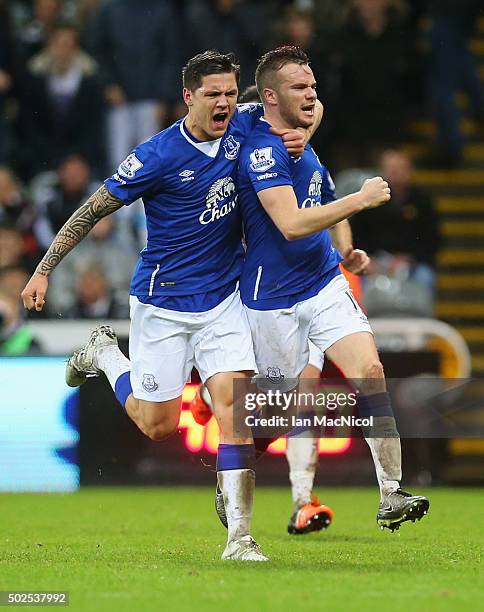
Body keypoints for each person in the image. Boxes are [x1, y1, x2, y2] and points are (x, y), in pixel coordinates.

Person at [21, 50, 313, 562]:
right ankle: (106, 355)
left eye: (229, 93)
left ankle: (240, 538)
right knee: (159, 427)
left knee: (235, 410)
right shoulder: (156, 155)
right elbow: (92, 211)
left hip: (224, 298)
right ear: (188, 96)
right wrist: (45, 268)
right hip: (164, 302)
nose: (224, 103)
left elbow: (308, 104)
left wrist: (304, 133)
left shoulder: (245, 125)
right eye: (212, 95)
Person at [232, 46, 429, 532]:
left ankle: (390, 494)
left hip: (322, 283)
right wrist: (359, 200)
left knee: (370, 370)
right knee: (279, 412)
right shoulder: (259, 152)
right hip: (272, 298)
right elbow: (295, 224)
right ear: (271, 100)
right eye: (301, 88)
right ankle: (232, 471)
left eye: (313, 87)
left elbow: (320, 195)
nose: (314, 98)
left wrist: (345, 250)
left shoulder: (304, 143)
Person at [193, 82, 371, 535]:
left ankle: (301, 500)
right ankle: (210, 402)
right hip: (252, 290)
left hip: (306, 288)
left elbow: (326, 205)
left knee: (301, 397)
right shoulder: (246, 150)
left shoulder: (304, 157)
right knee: (268, 401)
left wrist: (347, 251)